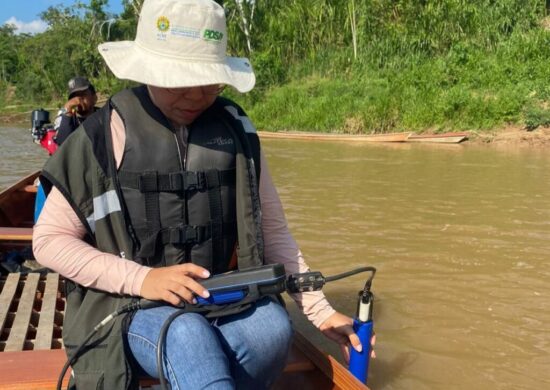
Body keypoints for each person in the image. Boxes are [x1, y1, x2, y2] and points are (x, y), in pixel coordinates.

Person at [33, 0, 368, 389]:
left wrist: (320, 310)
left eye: (210, 80)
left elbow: (273, 232)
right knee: (187, 336)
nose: (197, 95)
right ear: (148, 71)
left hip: (220, 297)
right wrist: (144, 280)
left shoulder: (236, 132)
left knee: (274, 329)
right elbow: (48, 241)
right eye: (181, 80)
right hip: (131, 304)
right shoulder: (103, 135)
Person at [53, 76, 98, 145]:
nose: (78, 100)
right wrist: (68, 111)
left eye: (83, 95)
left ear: (94, 98)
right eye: (74, 97)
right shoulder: (66, 119)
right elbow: (62, 144)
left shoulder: (104, 115)